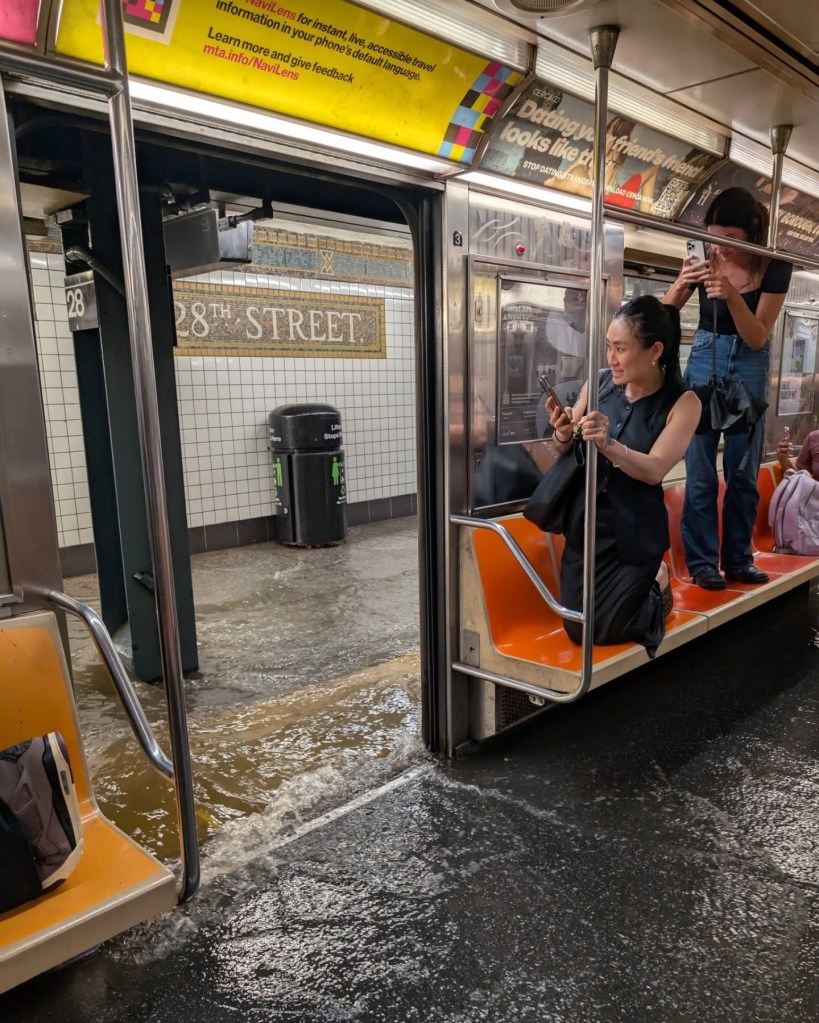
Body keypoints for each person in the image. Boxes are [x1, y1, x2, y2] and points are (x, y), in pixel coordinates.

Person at [547, 295, 701, 657]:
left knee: (610, 629)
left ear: (654, 350)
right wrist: (562, 433)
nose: (610, 359)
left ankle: (658, 580)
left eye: (620, 348)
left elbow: (654, 470)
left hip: (635, 532)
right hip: (588, 526)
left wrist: (609, 444)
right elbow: (562, 449)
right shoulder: (599, 383)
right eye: (608, 347)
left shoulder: (684, 402)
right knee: (578, 627)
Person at [662, 186, 793, 589]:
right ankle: (702, 563)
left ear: (752, 233)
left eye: (730, 240)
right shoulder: (705, 261)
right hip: (704, 357)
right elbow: (663, 318)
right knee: (700, 472)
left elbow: (757, 336)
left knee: (743, 473)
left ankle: (737, 558)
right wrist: (683, 283)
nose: (719, 248)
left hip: (749, 363)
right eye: (713, 237)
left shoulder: (775, 266)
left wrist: (732, 295)